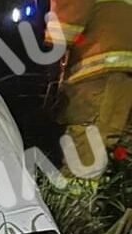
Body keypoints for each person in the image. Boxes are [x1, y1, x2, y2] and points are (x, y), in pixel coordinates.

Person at [47, 0, 131, 178]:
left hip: (97, 73)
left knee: (85, 155)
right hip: (122, 74)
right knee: (114, 151)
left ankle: (75, 204)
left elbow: (63, 30)